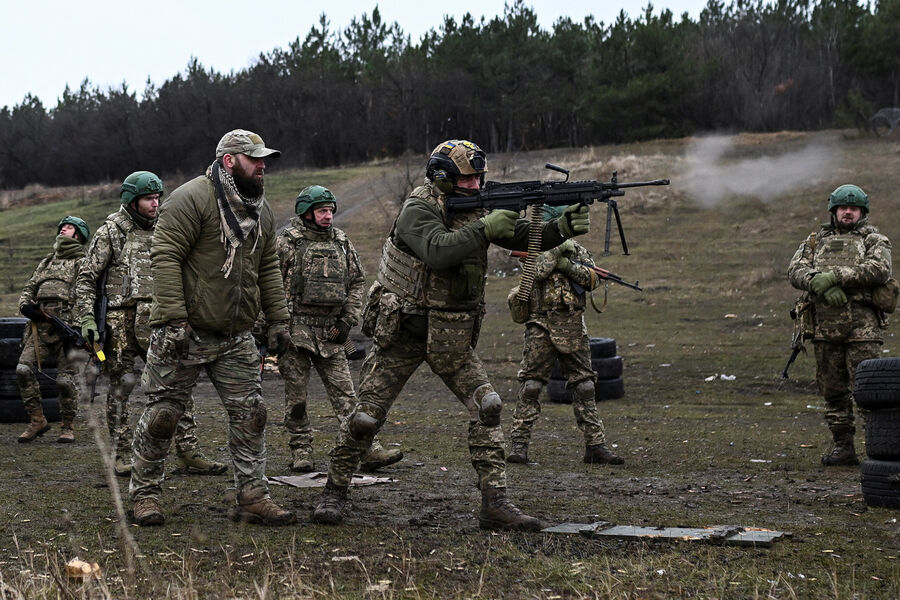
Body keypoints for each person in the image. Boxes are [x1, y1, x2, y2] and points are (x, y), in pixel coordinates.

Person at [311, 139, 590, 530]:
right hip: (403, 331)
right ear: (443, 177)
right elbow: (439, 251)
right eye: (468, 178)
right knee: (365, 419)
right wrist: (486, 226)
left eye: (479, 178)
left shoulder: (476, 206)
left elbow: (525, 236)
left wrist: (560, 227)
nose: (476, 185)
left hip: (452, 335)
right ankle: (334, 492)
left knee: (489, 407)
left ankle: (495, 503)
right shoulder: (417, 208)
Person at [127, 129, 295, 526]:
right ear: (229, 161)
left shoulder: (260, 209)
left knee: (252, 414)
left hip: (235, 334)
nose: (262, 165)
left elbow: (267, 265)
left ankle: (252, 496)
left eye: (263, 158)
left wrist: (279, 319)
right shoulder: (191, 199)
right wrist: (173, 318)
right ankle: (144, 496)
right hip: (184, 332)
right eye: (254, 159)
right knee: (163, 416)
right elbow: (164, 255)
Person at [76, 171, 226, 477]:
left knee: (176, 384)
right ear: (132, 202)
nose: (155, 204)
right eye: (148, 198)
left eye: (158, 197)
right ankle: (121, 453)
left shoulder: (166, 229)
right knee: (122, 385)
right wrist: (87, 319)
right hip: (119, 322)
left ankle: (188, 450)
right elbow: (86, 278)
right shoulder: (111, 231)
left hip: (159, 319)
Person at [276, 185, 403, 473]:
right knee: (296, 400)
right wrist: (271, 328)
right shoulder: (286, 242)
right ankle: (301, 451)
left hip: (332, 335)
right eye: (322, 211)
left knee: (347, 398)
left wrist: (348, 320)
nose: (328, 216)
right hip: (294, 333)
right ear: (306, 213)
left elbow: (357, 281)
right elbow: (268, 284)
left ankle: (367, 449)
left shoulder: (342, 242)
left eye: (331, 211)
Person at [507, 207, 625, 466]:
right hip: (540, 324)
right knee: (531, 386)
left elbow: (592, 280)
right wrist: (558, 250)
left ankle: (595, 446)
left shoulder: (578, 251)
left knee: (584, 386)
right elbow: (536, 271)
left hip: (572, 325)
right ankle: (519, 446)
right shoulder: (535, 249)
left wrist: (566, 264)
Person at [788, 184, 893, 466]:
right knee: (833, 391)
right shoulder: (814, 241)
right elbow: (795, 269)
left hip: (863, 330)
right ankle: (843, 446)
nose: (848, 212)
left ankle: (880, 449)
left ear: (862, 212)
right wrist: (815, 283)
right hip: (825, 327)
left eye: (854, 208)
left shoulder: (874, 240)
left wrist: (834, 277)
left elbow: (879, 269)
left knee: (869, 392)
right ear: (834, 211)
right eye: (843, 208)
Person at [16, 216, 90, 443]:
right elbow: (30, 288)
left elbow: (87, 294)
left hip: (68, 329)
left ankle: (68, 426)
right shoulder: (47, 261)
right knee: (22, 370)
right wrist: (27, 307)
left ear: (78, 235)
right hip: (40, 327)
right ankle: (38, 420)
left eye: (69, 228)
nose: (63, 230)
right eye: (62, 227)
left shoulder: (82, 262)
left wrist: (77, 328)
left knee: (65, 381)